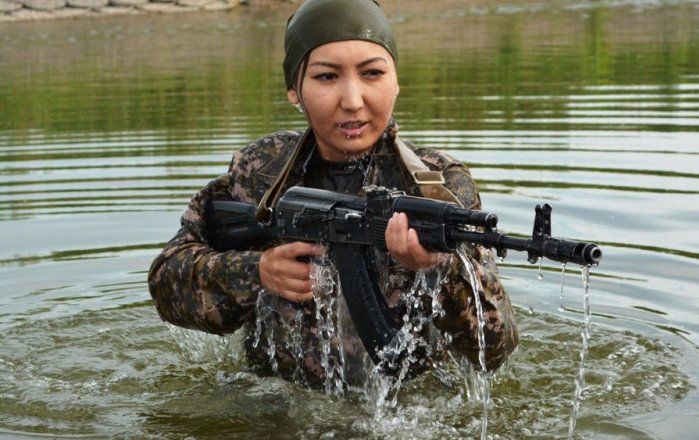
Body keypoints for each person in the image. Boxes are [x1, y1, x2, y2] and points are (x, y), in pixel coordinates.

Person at [148, 0, 517, 389]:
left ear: (395, 81)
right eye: (327, 77)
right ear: (294, 89)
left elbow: (495, 348)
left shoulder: (438, 187)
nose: (353, 100)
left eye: (372, 73)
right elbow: (167, 281)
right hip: (273, 405)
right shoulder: (260, 171)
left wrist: (439, 270)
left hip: (406, 412)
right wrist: (257, 272)